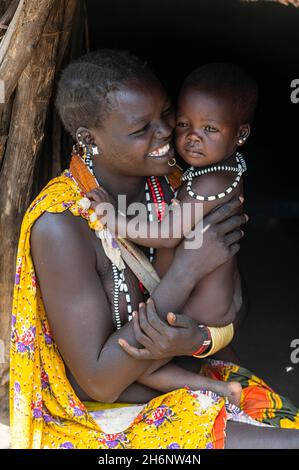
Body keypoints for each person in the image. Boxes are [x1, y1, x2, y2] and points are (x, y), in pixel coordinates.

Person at [10, 49, 299, 449]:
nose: (166, 133)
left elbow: (233, 302)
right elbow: (99, 381)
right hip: (105, 417)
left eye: (166, 114)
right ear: (88, 137)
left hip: (193, 381)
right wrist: (187, 270)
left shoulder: (179, 185)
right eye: (141, 128)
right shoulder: (63, 224)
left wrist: (196, 339)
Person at [87, 63, 259, 404]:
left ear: (240, 135)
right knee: (144, 362)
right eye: (184, 124)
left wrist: (113, 217)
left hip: (201, 311)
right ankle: (222, 389)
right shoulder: (217, 171)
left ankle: (221, 391)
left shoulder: (210, 181)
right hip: (209, 303)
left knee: (141, 364)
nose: (192, 137)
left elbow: (167, 234)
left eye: (210, 128)